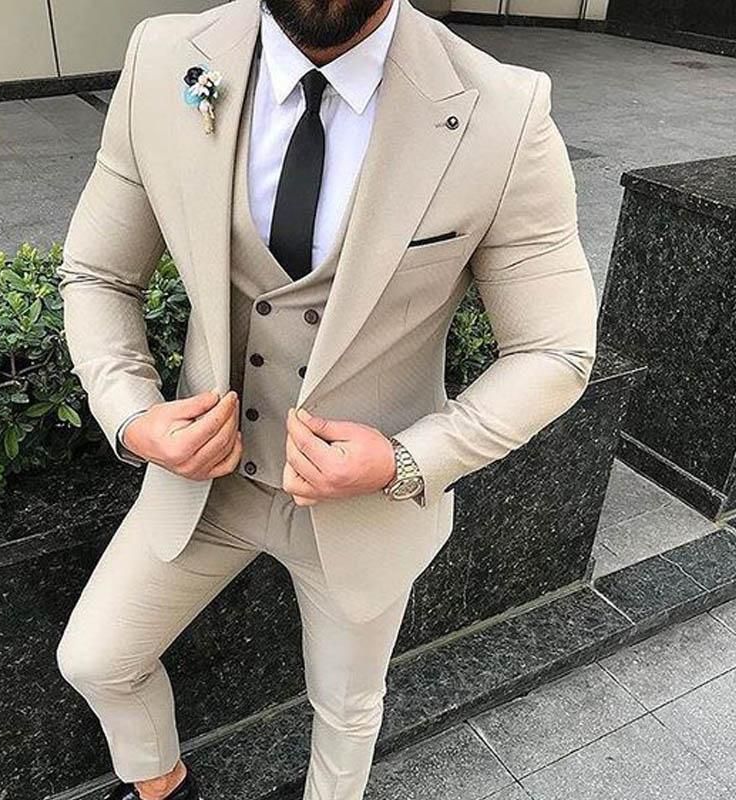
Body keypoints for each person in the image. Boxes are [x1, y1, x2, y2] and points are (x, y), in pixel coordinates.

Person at [54, 0, 599, 797]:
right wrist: (130, 413)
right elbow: (99, 274)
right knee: (96, 658)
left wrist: (406, 460)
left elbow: (555, 348)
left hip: (363, 503)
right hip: (209, 483)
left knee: (346, 709)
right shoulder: (164, 57)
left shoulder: (503, 110)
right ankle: (163, 788)